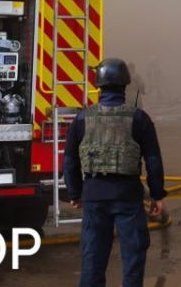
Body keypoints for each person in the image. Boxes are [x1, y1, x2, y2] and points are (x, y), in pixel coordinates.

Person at [63, 58, 166, 287]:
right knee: (133, 259)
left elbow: (69, 161)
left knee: (93, 260)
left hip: (93, 196)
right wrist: (157, 194)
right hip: (128, 197)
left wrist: (75, 193)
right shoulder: (139, 118)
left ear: (99, 85)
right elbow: (153, 160)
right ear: (126, 85)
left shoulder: (82, 119)